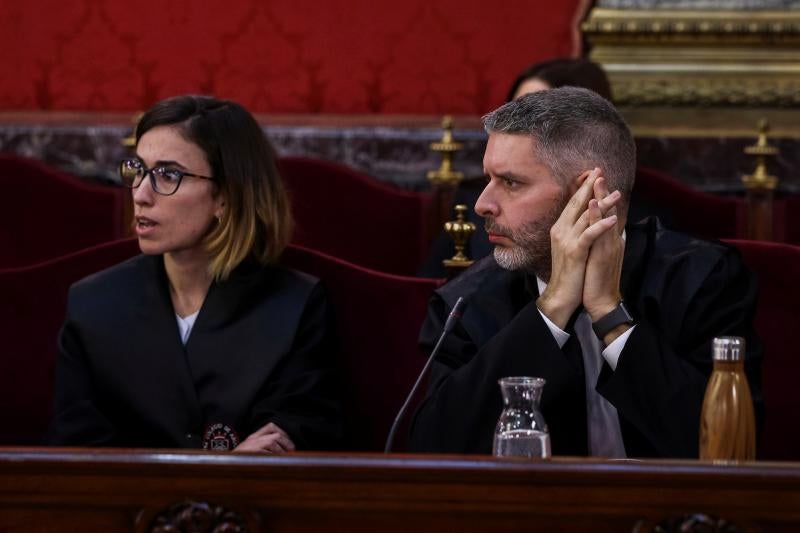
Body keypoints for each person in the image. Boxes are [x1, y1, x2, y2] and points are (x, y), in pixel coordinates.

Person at [408, 87, 763, 458]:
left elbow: (724, 451)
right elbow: (433, 450)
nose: (482, 204)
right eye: (488, 179)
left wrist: (611, 315)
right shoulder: (468, 303)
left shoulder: (703, 281)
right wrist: (552, 309)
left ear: (588, 196)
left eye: (511, 183)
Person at [47, 95, 342, 452]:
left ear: (226, 196)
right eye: (137, 170)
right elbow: (77, 456)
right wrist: (225, 468)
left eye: (168, 174)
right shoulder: (92, 305)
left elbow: (293, 436)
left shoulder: (295, 306)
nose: (140, 194)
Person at [419, 58, 616, 277]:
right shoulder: (472, 201)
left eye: (535, 119)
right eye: (514, 114)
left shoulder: (637, 220)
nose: (484, 206)